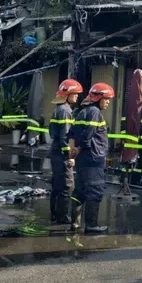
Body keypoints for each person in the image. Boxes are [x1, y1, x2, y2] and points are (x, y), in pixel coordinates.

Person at [68, 82, 115, 234]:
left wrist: (73, 151)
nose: (108, 102)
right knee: (95, 191)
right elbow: (87, 137)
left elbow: (72, 134)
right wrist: (78, 149)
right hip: (94, 159)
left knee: (80, 191)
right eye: (106, 98)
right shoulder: (95, 112)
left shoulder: (82, 112)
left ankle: (75, 223)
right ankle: (92, 225)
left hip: (83, 160)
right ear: (98, 98)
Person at [49, 79, 83, 225]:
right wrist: (70, 155)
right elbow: (66, 135)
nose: (76, 96)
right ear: (67, 95)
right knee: (67, 185)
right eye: (74, 93)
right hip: (61, 154)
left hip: (55, 152)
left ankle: (55, 215)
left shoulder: (58, 109)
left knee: (57, 185)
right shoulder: (65, 111)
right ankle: (62, 217)